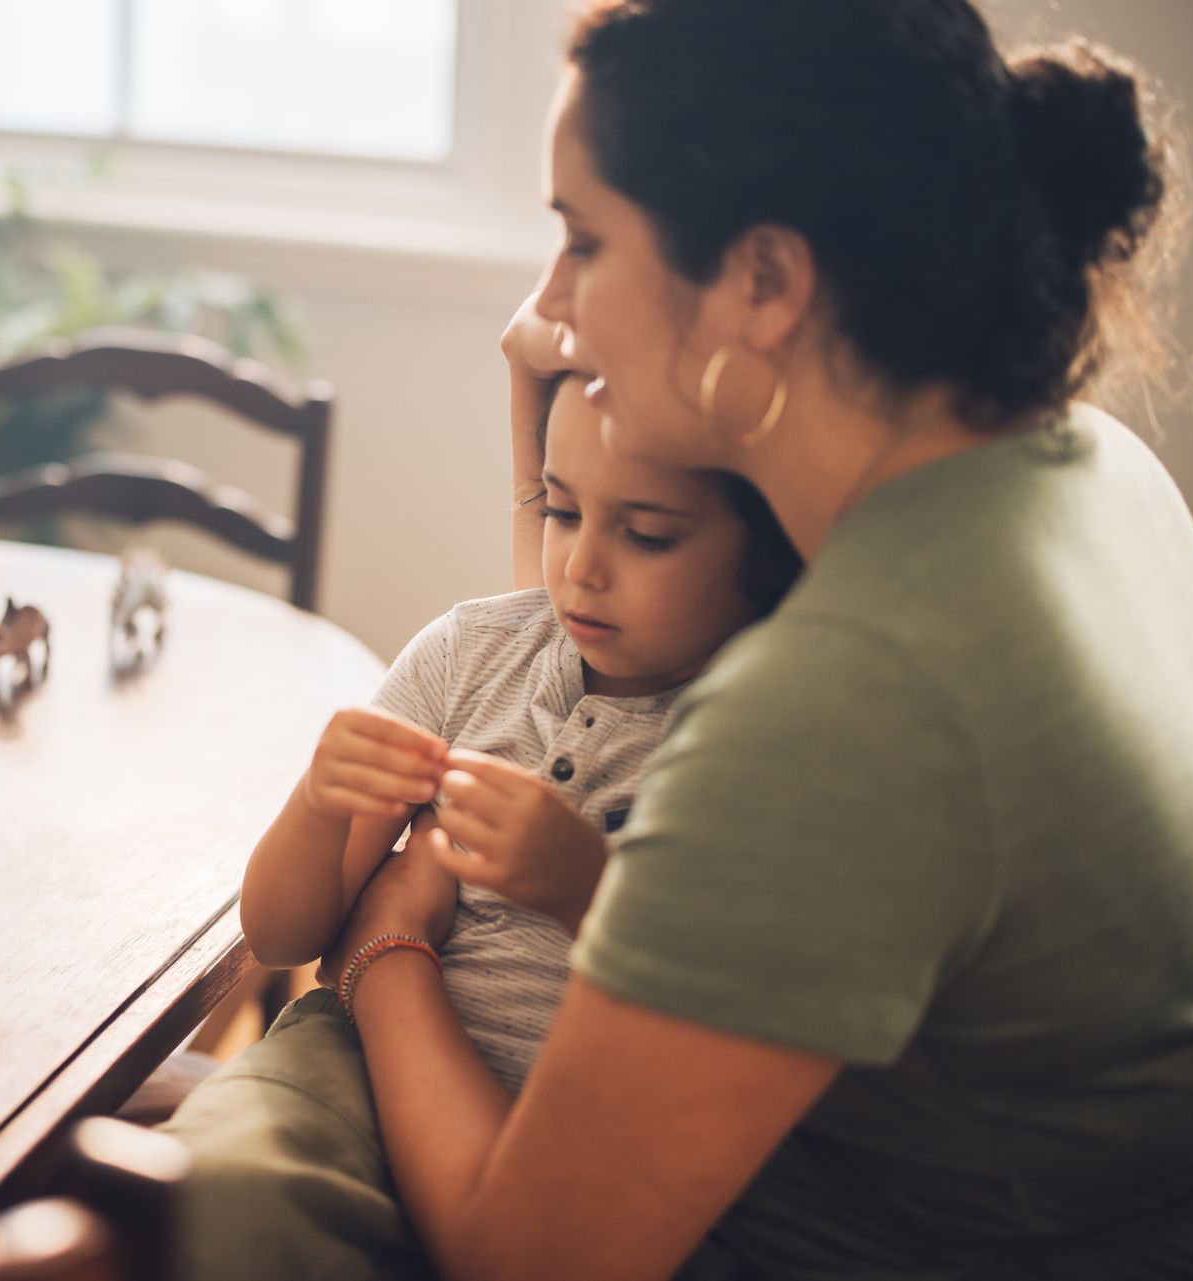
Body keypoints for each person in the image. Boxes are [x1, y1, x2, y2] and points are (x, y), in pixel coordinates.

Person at [298, 1, 1193, 1278]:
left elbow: (523, 1258)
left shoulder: (844, 702)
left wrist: (384, 950)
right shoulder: (1086, 463)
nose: (551, 309)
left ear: (763, 282)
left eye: (584, 240)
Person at [163, 371, 799, 1273]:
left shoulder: (764, 732)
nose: (581, 565)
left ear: (764, 551)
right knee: (221, 1184)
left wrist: (588, 884)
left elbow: (735, 992)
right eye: (561, 510)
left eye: (648, 534)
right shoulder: (471, 653)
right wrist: (317, 803)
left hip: (586, 1133)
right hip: (352, 1068)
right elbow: (278, 933)